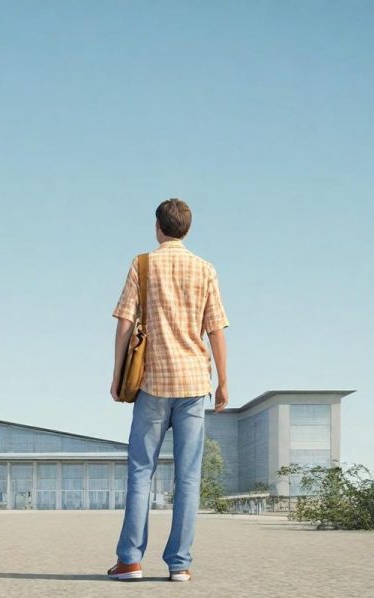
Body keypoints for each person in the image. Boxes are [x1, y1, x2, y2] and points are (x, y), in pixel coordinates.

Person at [107, 198, 230, 583]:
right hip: (194, 383)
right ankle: (179, 564)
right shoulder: (205, 269)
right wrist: (223, 380)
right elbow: (216, 329)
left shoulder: (142, 264)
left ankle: (130, 561)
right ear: (187, 229)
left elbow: (125, 323)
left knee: (141, 471)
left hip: (152, 384)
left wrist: (116, 375)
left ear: (158, 226)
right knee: (189, 477)